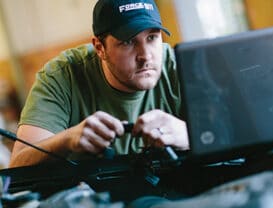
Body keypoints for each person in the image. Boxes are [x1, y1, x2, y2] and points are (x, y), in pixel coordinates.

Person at [9, 0, 189, 168]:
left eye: (152, 38)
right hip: (91, 197)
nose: (145, 56)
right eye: (128, 41)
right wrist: (66, 140)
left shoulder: (179, 64)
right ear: (99, 48)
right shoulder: (62, 76)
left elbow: (217, 132)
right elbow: (18, 164)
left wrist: (188, 135)